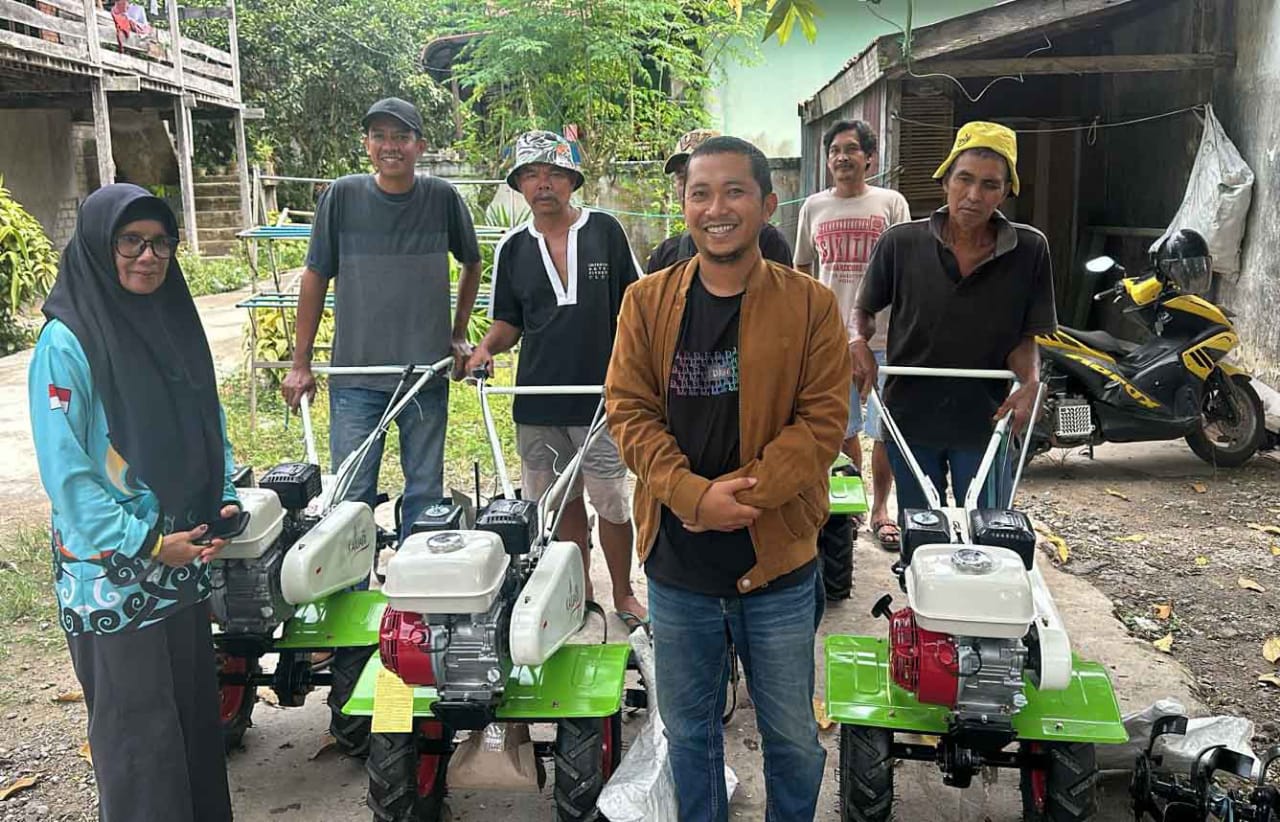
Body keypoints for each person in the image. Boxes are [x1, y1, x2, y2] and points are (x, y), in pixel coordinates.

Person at [606, 136, 849, 821]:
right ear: (684, 206)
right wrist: (691, 497)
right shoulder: (645, 302)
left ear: (767, 205)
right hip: (678, 567)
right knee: (689, 734)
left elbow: (823, 422)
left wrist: (739, 499)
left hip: (776, 564)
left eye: (734, 191)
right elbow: (628, 410)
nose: (717, 208)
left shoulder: (810, 306)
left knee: (793, 738)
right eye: (700, 193)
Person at [28, 184, 240, 822]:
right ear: (99, 246)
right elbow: (69, 476)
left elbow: (208, 420)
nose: (149, 257)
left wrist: (223, 497)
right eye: (131, 241)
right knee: (139, 740)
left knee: (192, 727)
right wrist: (146, 543)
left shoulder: (171, 321)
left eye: (161, 243)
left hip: (181, 564)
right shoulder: (66, 343)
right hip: (113, 580)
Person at [467, 130, 648, 626]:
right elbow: (508, 323)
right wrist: (484, 349)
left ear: (572, 181)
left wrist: (643, 368)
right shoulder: (512, 249)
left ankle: (624, 593)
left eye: (554, 173)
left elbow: (637, 307)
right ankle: (580, 589)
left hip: (603, 399)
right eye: (531, 174)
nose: (543, 183)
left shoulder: (605, 231)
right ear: (519, 185)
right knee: (561, 499)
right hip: (538, 399)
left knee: (612, 501)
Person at [282, 97, 483, 538]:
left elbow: (472, 262)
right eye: (379, 136)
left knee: (425, 493)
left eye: (401, 136)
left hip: (424, 374)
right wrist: (300, 363)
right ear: (367, 144)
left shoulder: (441, 198)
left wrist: (458, 333)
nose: (390, 146)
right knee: (351, 497)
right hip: (356, 376)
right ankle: (356, 578)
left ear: (420, 146)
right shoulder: (342, 196)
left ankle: (416, 579)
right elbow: (315, 276)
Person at [852, 121, 1056, 513]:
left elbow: (1025, 337)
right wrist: (857, 341)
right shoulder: (901, 243)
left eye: (990, 185)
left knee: (985, 529)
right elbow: (863, 310)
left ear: (1005, 192)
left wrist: (1031, 382)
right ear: (945, 180)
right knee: (922, 528)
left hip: (986, 421)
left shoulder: (1030, 250)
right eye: (964, 179)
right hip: (910, 417)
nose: (974, 195)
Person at [795, 119, 910, 549]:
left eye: (851, 149)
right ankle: (850, 503)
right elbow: (802, 267)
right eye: (834, 151)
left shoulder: (890, 203)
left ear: (869, 158)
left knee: (883, 431)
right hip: (830, 342)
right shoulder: (813, 207)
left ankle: (882, 510)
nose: (842, 157)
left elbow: (907, 267)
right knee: (840, 429)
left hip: (885, 340)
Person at [645, 128, 793, 273]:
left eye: (734, 191)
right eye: (682, 176)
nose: (715, 210)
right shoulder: (665, 256)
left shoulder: (768, 242)